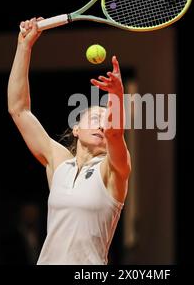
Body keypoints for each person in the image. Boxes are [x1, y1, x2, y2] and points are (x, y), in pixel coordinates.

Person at [7, 18, 131, 264]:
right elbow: (19, 110)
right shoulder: (60, 164)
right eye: (95, 117)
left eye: (105, 120)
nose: (102, 124)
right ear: (76, 129)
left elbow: (116, 134)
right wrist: (24, 46)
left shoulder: (113, 171)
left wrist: (117, 94)